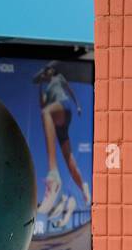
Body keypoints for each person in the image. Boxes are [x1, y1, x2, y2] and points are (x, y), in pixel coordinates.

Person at [33, 62, 91, 216]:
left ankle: (53, 174)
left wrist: (78, 105)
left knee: (46, 112)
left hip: (64, 107)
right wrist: (40, 85)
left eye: (48, 70)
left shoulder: (58, 78)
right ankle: (84, 187)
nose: (47, 72)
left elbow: (69, 91)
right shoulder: (46, 88)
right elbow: (42, 104)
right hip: (57, 120)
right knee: (69, 159)